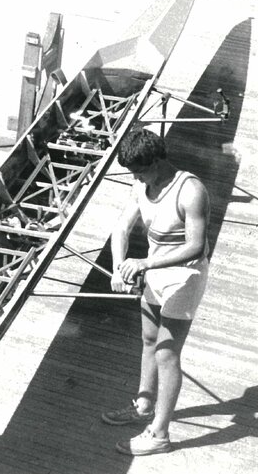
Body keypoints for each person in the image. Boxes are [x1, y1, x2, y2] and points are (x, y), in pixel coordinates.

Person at [104, 127, 211, 456]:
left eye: (140, 171)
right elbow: (122, 227)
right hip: (153, 271)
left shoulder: (191, 190)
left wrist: (145, 264)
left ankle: (160, 435)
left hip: (185, 277)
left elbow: (194, 246)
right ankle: (143, 407)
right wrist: (119, 266)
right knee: (149, 341)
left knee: (166, 353)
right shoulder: (140, 183)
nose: (137, 179)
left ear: (158, 161)